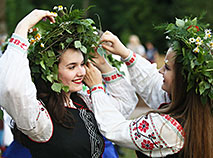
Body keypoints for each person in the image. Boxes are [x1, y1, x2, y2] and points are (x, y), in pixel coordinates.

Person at [0, 6, 127, 158]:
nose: (81, 72)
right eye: (72, 67)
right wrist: (24, 26)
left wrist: (103, 68)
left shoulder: (84, 101)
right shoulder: (40, 118)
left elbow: (124, 105)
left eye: (82, 64)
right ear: (52, 72)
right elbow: (11, 88)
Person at [83, 17, 213, 157]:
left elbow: (116, 129)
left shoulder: (168, 130)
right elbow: (152, 84)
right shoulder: (198, 109)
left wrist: (96, 87)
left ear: (183, 80)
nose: (160, 70)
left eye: (167, 68)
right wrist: (122, 55)